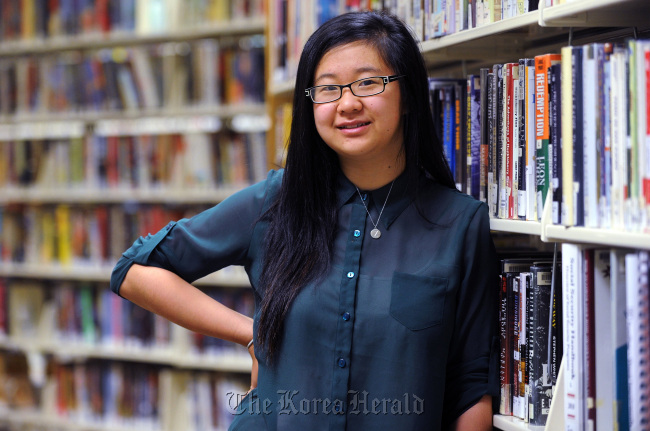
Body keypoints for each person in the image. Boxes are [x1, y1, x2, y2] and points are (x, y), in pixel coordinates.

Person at [110, 10, 499, 431]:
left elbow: (469, 387)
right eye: (328, 89)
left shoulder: (460, 223)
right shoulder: (277, 201)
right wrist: (251, 333)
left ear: (407, 95)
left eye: (368, 83)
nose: (347, 104)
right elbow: (134, 269)